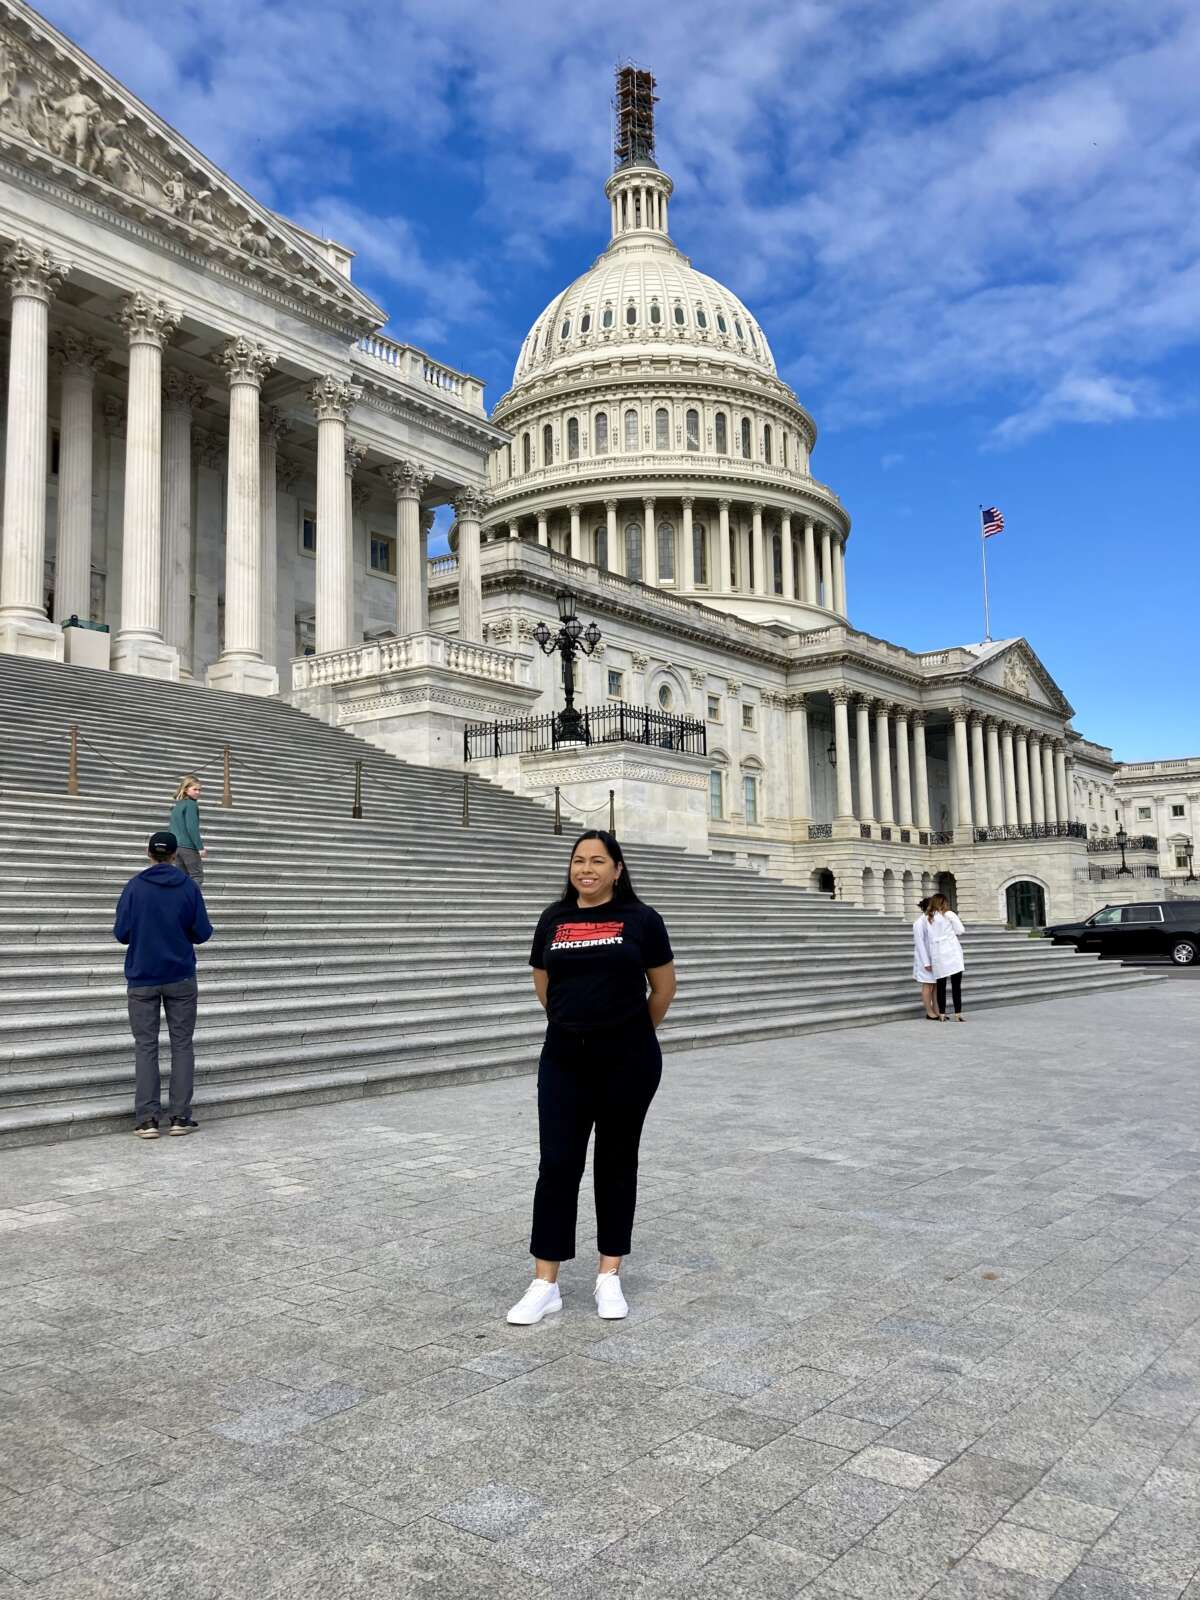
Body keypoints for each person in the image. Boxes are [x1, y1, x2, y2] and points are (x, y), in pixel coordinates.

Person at [508, 831, 676, 1326]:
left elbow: (663, 988)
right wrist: (575, 1021)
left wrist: (626, 1030)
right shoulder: (553, 920)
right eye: (579, 860)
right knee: (557, 1165)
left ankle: (609, 1276)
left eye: (598, 861)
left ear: (617, 869)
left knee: (616, 1162)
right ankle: (545, 1283)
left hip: (628, 1059)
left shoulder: (642, 920)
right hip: (564, 1058)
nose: (586, 869)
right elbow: (544, 983)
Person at [114, 830, 213, 1138]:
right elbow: (203, 932)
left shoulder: (134, 887)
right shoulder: (188, 887)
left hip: (142, 976)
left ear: (148, 854)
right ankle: (181, 1117)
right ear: (173, 855)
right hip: (180, 975)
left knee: (146, 1046)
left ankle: (147, 1119)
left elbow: (121, 933)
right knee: (182, 1044)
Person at [927, 893, 967, 1022]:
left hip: (937, 951)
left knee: (941, 985)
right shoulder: (949, 914)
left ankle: (942, 1014)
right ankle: (958, 1013)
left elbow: (929, 937)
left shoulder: (929, 917)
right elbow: (961, 930)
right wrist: (950, 933)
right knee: (956, 984)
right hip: (951, 950)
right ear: (944, 902)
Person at [169, 776, 206, 883]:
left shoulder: (178, 805)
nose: (198, 792)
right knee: (197, 876)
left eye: (199, 790)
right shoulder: (191, 804)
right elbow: (192, 827)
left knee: (181, 878)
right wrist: (200, 848)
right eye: (195, 789)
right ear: (185, 789)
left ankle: (179, 899)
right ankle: (191, 899)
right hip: (188, 847)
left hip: (176, 847)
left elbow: (172, 827)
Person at [912, 896, 940, 1019]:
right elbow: (920, 944)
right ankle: (929, 1012)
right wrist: (926, 962)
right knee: (928, 985)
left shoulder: (934, 921)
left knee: (936, 985)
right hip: (925, 959)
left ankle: (938, 1010)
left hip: (936, 958)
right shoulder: (919, 923)